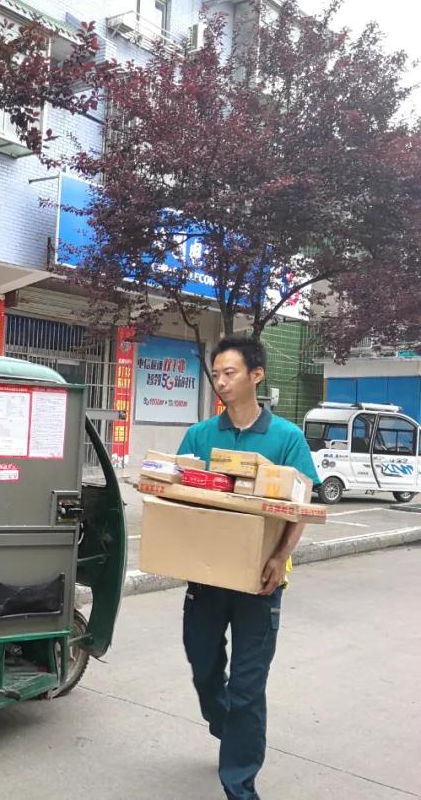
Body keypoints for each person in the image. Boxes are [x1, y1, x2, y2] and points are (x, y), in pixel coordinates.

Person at [176, 334, 321, 800]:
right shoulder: (200, 435)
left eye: (230, 373)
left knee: (247, 686)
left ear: (256, 375)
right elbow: (178, 494)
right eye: (216, 374)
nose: (220, 382)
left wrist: (280, 557)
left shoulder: (286, 438)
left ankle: (239, 785)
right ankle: (227, 724)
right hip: (206, 576)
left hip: (260, 581)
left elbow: (301, 505)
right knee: (204, 669)